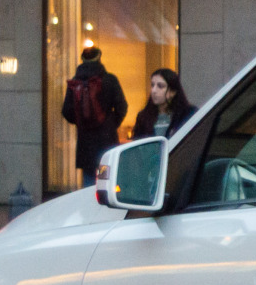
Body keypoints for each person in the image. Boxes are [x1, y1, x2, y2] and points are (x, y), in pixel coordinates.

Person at [63, 46, 128, 187]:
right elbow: (122, 107)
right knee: (105, 184)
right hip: (106, 142)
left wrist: (81, 121)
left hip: (85, 144)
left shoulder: (75, 82)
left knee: (89, 185)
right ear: (99, 58)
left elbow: (66, 111)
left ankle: (90, 207)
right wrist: (110, 124)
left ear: (82, 60)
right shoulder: (110, 80)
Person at [131, 67, 195, 140]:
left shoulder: (187, 115)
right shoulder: (143, 117)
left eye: (160, 86)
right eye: (152, 85)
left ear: (172, 92)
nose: (154, 90)